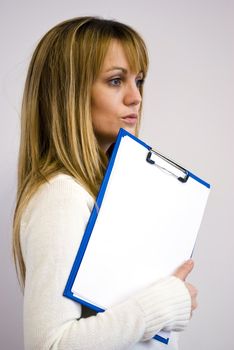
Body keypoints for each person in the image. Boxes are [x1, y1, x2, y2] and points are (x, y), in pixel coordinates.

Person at [13, 17, 197, 350]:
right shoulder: (61, 196)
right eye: (115, 81)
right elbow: (50, 345)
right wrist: (163, 302)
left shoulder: (100, 190)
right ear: (67, 93)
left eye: (138, 81)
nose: (135, 97)